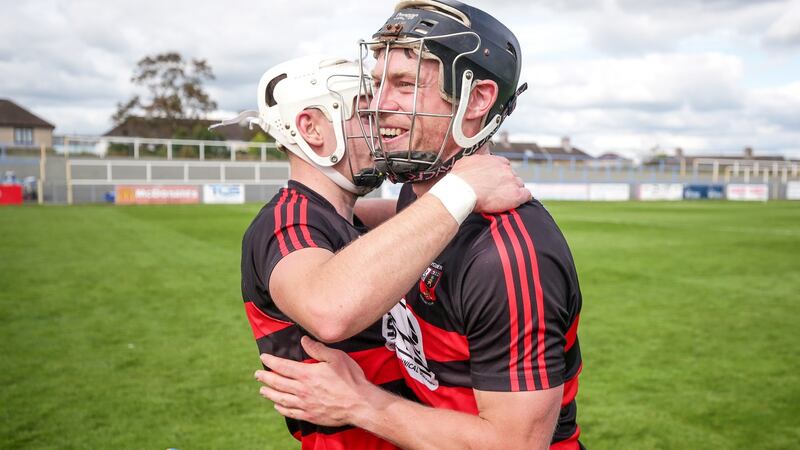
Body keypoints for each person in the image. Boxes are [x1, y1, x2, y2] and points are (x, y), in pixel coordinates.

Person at [255, 1, 584, 449]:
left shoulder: (507, 257)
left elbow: (515, 445)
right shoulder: (424, 201)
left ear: (478, 100)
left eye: (405, 84)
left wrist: (359, 403)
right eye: (375, 85)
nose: (376, 107)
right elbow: (397, 227)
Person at [234, 55, 531, 449]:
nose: (380, 123)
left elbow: (411, 221)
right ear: (311, 128)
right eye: (362, 113)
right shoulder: (288, 222)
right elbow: (329, 309)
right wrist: (461, 190)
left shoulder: (340, 217)